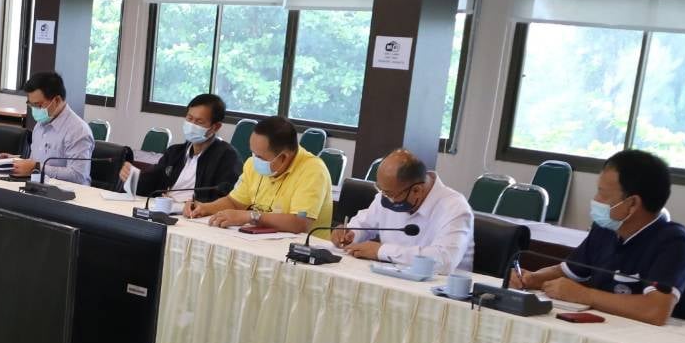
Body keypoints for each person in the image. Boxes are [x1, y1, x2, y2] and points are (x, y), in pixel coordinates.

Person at [509, 149, 685, 326]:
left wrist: (584, 295)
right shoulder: (606, 228)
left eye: (603, 194)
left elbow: (656, 310)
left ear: (632, 204)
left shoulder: (673, 242)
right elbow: (566, 271)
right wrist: (531, 278)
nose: (595, 200)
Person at [333, 148, 473, 273]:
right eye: (381, 190)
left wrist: (381, 251)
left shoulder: (455, 208)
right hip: (390, 277)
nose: (385, 197)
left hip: (438, 288)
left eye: (390, 194)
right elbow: (364, 224)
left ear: (416, 190)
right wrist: (350, 234)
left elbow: (444, 261)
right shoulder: (390, 192)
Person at [188, 115, 332, 236]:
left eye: (260, 157)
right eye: (253, 153)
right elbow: (234, 203)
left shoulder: (313, 170)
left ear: (283, 157)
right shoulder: (252, 164)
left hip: (304, 251)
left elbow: (300, 223)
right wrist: (205, 208)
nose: (254, 159)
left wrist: (250, 216)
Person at [117, 93, 241, 202]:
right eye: (189, 118)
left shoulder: (227, 157)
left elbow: (226, 198)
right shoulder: (175, 152)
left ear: (215, 127)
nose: (192, 125)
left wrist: (193, 205)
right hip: (163, 209)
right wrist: (133, 177)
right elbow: (152, 183)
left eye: (199, 122)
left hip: (196, 215)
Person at [11, 71, 94, 184]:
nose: (34, 109)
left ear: (57, 100)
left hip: (68, 192)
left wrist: (36, 167)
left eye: (39, 105)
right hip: (38, 188)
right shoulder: (40, 125)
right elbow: (34, 162)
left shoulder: (78, 130)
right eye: (31, 104)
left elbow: (78, 176)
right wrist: (16, 162)